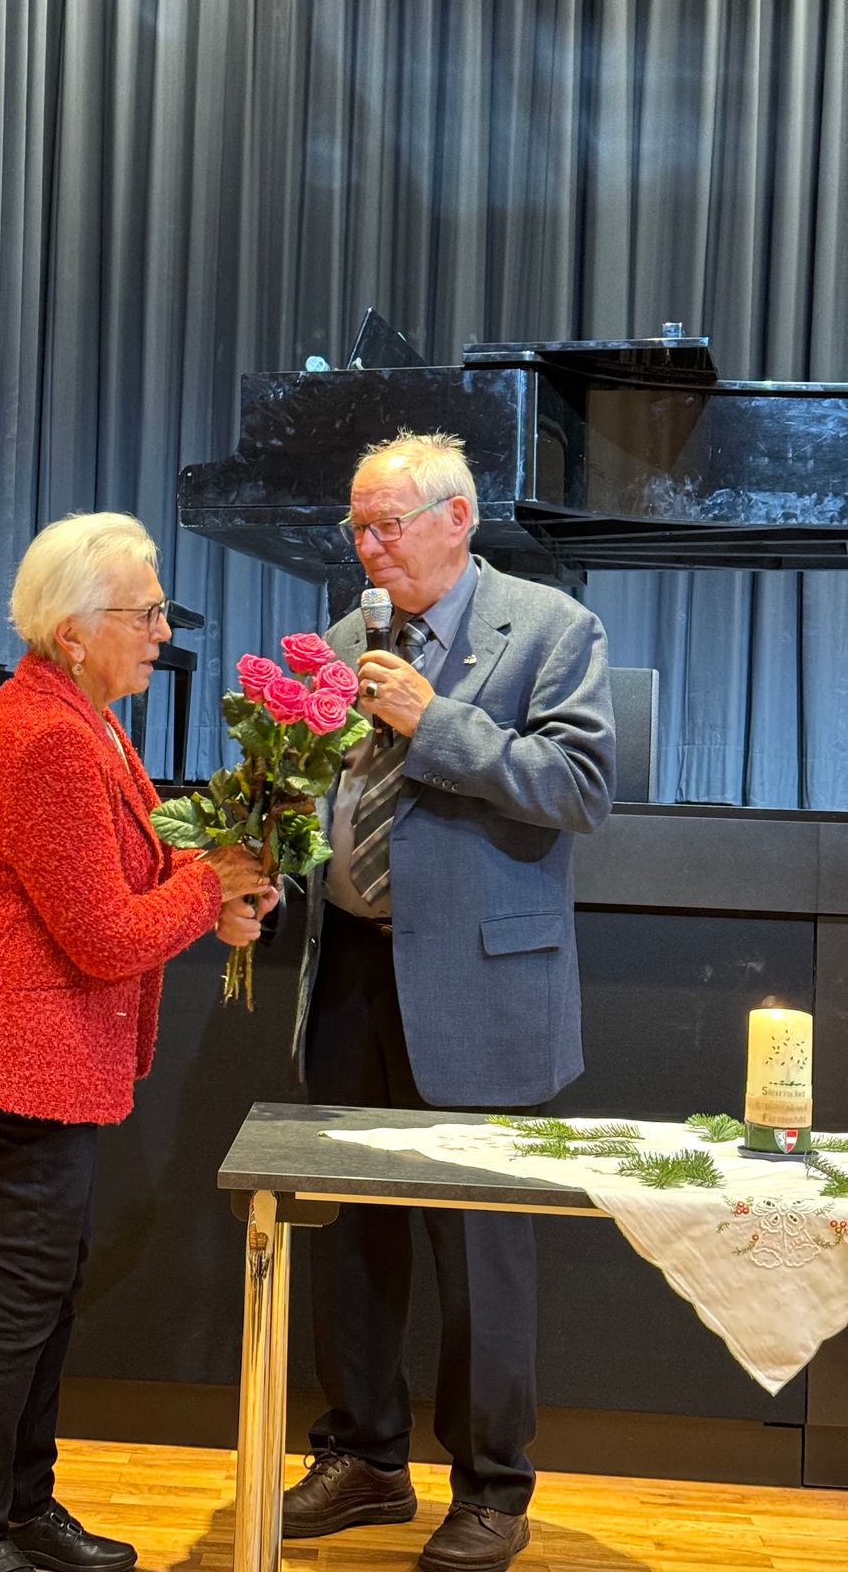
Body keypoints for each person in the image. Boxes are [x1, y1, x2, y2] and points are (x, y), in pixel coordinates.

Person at [282, 433, 616, 1572]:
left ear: (457, 519)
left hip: (482, 982)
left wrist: (438, 721)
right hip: (351, 975)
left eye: (386, 527)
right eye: (356, 529)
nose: (368, 550)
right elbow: (319, 795)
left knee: (483, 1256)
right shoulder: (343, 638)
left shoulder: (552, 628)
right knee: (351, 1237)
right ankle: (366, 1456)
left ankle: (492, 1489)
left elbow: (579, 788)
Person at [0, 511, 275, 1572]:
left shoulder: (88, 719)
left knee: (44, 1292)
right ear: (74, 631)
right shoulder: (48, 737)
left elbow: (132, 882)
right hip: (29, 1055)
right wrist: (214, 883)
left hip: (54, 1055)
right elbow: (106, 935)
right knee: (23, 1299)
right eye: (145, 613)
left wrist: (206, 889)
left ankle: (24, 1512)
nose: (164, 631)